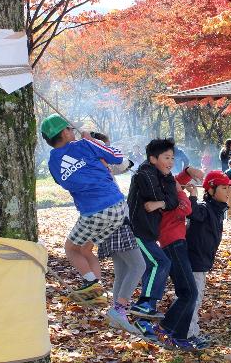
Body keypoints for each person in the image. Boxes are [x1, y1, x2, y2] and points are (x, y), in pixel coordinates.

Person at [41, 114, 127, 303]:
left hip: (94, 213)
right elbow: (117, 156)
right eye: (71, 128)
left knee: (71, 248)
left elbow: (64, 182)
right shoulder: (85, 145)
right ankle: (97, 292)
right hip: (118, 207)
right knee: (85, 250)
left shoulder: (52, 163)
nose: (74, 130)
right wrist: (93, 141)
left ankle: (90, 281)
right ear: (64, 133)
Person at [87, 133, 146, 333]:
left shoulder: (89, 163)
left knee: (122, 269)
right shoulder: (98, 160)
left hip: (105, 221)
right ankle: (119, 310)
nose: (108, 150)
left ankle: (116, 317)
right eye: (106, 147)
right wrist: (123, 157)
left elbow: (121, 165)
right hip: (115, 220)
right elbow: (121, 163)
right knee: (139, 265)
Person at [127, 139, 178, 331]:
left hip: (147, 232)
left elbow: (171, 201)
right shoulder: (145, 174)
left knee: (152, 268)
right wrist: (162, 199)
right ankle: (144, 304)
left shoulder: (162, 175)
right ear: (152, 159)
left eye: (172, 158)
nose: (171, 162)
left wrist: (160, 204)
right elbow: (157, 195)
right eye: (166, 157)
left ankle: (143, 320)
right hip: (136, 231)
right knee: (161, 263)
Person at [186, 171, 231, 343]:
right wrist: (193, 196)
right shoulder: (204, 208)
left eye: (228, 188)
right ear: (211, 190)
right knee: (193, 298)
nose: (228, 192)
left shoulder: (217, 209)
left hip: (202, 261)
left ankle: (189, 331)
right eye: (224, 188)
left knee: (194, 297)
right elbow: (193, 213)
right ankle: (188, 334)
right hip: (195, 262)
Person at [153, 171, 199, 350]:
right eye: (167, 158)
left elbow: (176, 181)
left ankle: (179, 337)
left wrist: (187, 173)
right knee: (190, 293)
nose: (171, 162)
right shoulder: (166, 194)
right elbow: (187, 209)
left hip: (176, 242)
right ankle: (165, 327)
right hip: (172, 243)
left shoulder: (167, 184)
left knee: (187, 293)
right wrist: (185, 193)